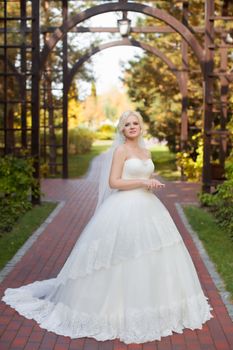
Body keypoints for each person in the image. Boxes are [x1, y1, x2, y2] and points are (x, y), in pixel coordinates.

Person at [2, 110, 213, 344]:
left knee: (153, 254)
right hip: (123, 209)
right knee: (121, 256)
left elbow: (143, 177)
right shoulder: (121, 151)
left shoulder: (146, 151)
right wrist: (142, 181)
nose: (132, 127)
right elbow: (114, 182)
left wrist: (149, 185)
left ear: (141, 127)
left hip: (149, 207)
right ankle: (111, 310)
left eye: (135, 123)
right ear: (122, 130)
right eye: (127, 124)